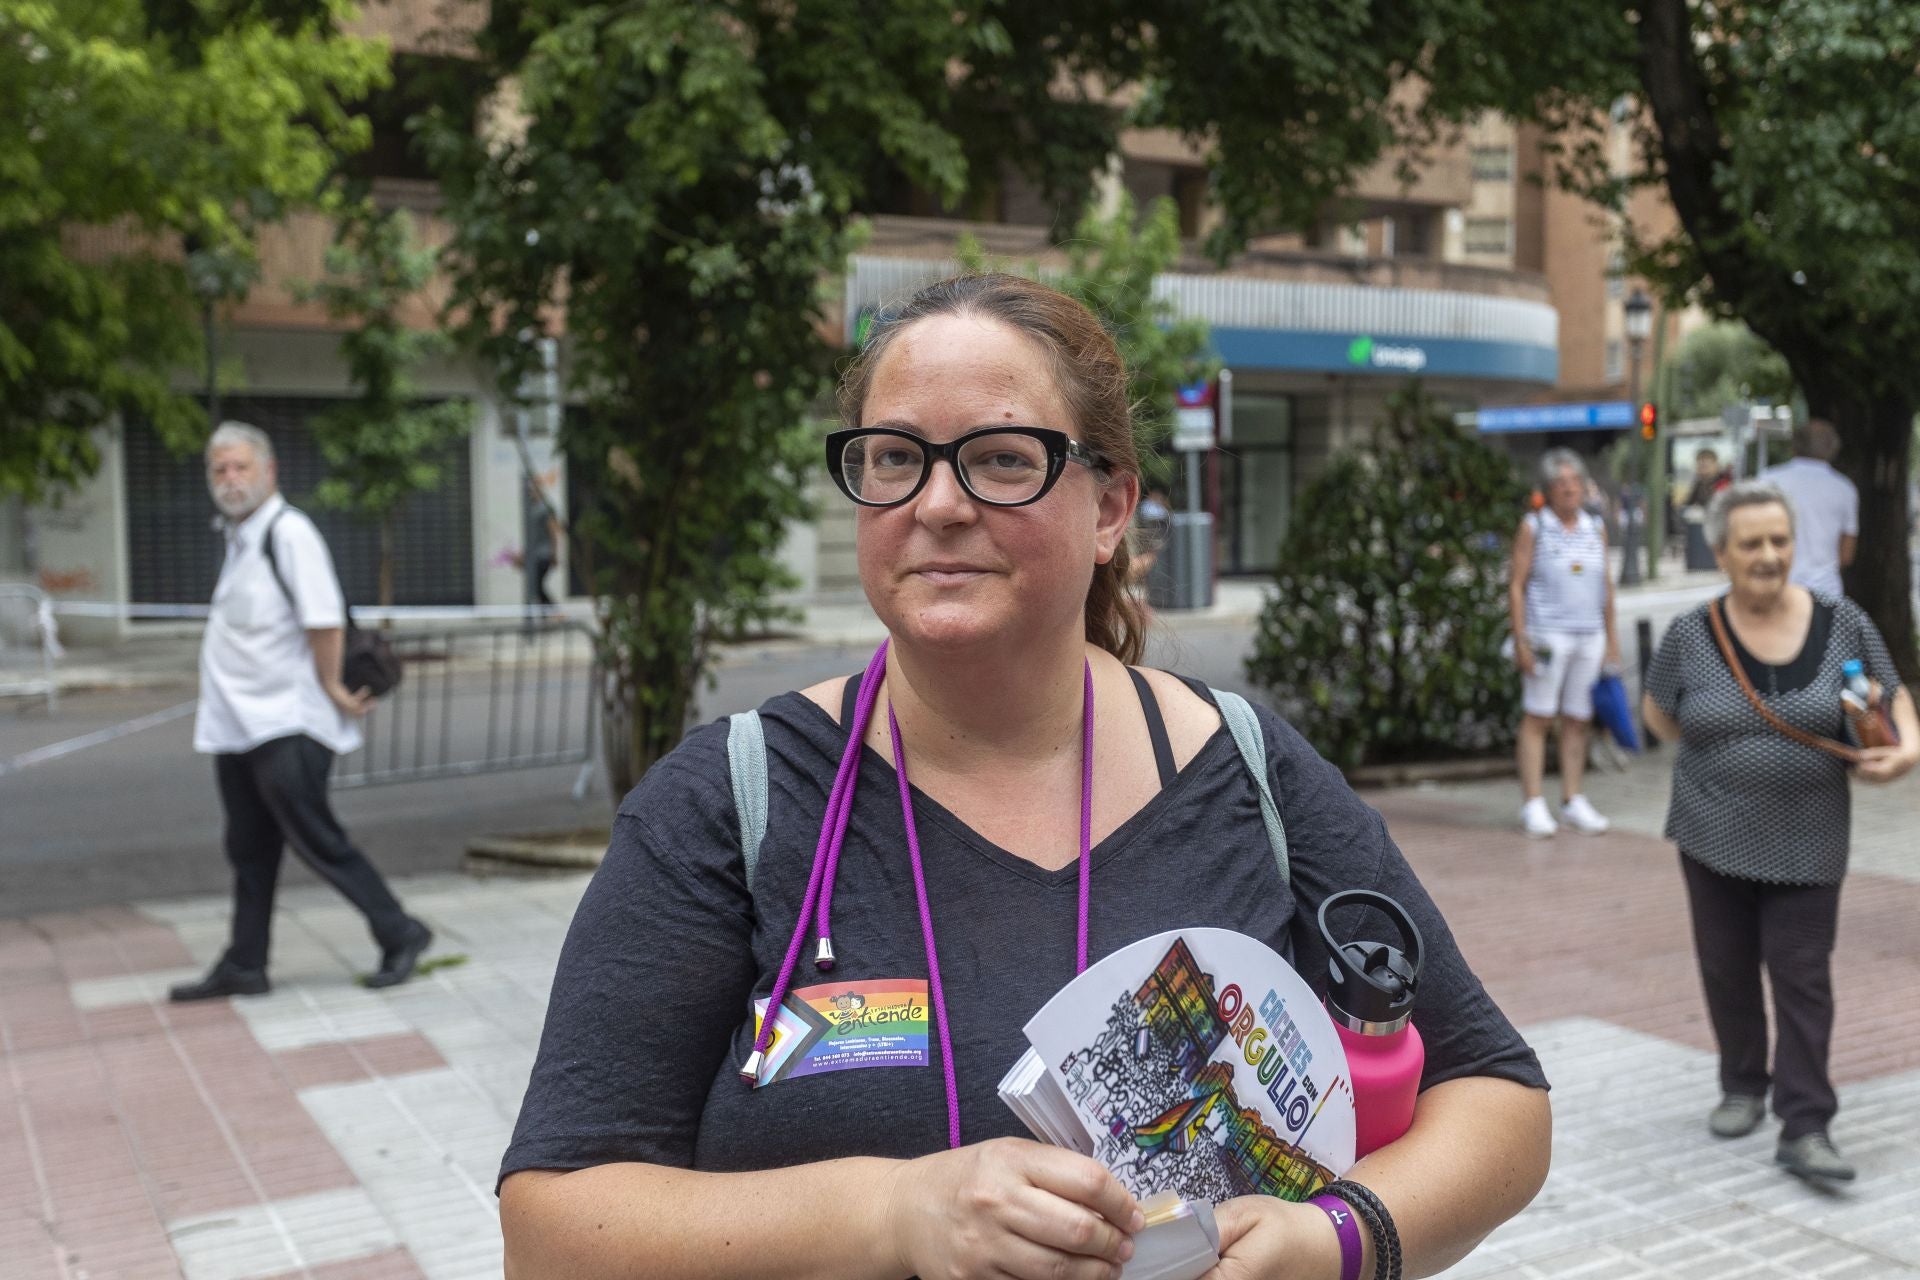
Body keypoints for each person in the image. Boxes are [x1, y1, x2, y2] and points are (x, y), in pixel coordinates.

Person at [499, 275, 1551, 1280]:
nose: (939, 501)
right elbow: (552, 1230)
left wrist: (1338, 1239)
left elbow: (1499, 1098)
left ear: (1110, 510)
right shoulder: (729, 803)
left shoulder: (1246, 766)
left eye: (1003, 459)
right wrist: (898, 1211)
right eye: (893, 456)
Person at [1642, 481, 1918, 1184]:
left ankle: (1806, 1124)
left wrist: (1908, 747)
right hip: (1710, 831)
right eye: (1752, 543)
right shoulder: (1690, 633)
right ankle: (1742, 1083)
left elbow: (1891, 691)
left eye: (1779, 541)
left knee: (1802, 976)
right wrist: (1723, 758)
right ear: (1723, 553)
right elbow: (1660, 713)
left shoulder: (1844, 621)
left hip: (1810, 835)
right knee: (1726, 967)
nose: (1769, 555)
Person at [170, 422, 433, 1002]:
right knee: (248, 847)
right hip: (239, 725)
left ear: (269, 472)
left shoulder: (289, 534)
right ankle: (245, 962)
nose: (230, 479)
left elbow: (324, 619)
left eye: (241, 467)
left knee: (317, 838)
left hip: (285, 722)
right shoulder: (241, 538)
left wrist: (333, 688)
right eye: (220, 469)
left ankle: (401, 931)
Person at [1507, 449, 1623, 839]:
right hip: (1546, 635)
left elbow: (1605, 585)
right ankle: (1533, 802)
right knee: (1539, 716)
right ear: (1548, 489)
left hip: (1589, 634)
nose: (1570, 489)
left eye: (1575, 482)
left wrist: (1612, 640)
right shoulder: (1534, 527)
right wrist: (1521, 638)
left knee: (1578, 719)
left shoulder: (1595, 527)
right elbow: (1516, 585)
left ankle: (1573, 799)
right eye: (1561, 483)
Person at [1759, 419, 1858, 598]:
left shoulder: (1768, 481)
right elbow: (1846, 554)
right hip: (1826, 590)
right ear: (1832, 449)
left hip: (1774, 585)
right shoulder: (1844, 488)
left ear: (1794, 446)